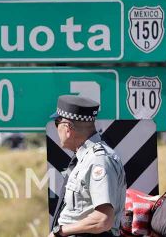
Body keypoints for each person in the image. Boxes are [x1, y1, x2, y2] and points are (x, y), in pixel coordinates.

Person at [49, 95, 126, 237]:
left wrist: (60, 232)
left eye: (57, 123)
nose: (56, 129)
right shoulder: (86, 158)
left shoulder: (98, 160)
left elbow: (103, 220)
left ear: (67, 128)